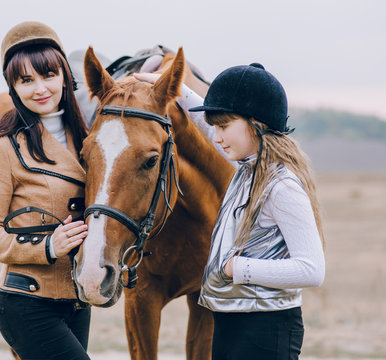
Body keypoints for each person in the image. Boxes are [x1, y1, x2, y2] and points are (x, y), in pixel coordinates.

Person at [136, 63, 325, 359]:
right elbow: (206, 126)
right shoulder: (247, 167)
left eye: (223, 126)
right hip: (232, 319)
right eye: (216, 126)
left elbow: (312, 270)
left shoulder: (281, 187)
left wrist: (238, 268)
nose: (217, 136)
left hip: (265, 327)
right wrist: (173, 89)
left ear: (255, 123)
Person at [0, 21, 90, 360]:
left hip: (78, 301)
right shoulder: (2, 148)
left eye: (48, 75)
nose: (40, 88)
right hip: (28, 305)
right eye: (26, 80)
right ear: (13, 87)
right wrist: (47, 245)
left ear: (64, 75)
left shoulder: (87, 139)